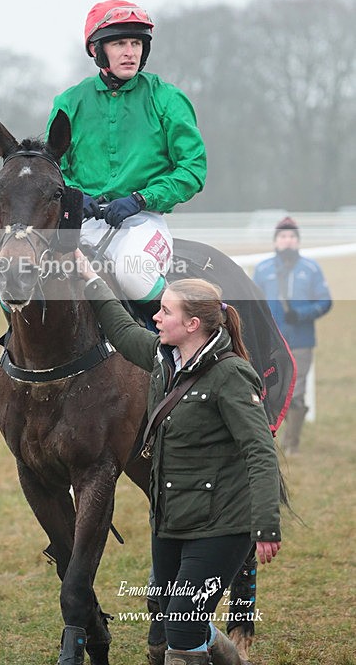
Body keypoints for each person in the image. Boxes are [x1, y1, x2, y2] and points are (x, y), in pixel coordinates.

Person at [75, 250, 282, 665]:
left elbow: (260, 451)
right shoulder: (162, 357)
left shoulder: (232, 375)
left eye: (165, 311)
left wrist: (266, 526)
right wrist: (88, 276)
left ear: (192, 325)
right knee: (174, 621)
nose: (155, 316)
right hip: (170, 519)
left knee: (184, 628)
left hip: (221, 525)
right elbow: (119, 327)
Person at [45, 0, 206, 319]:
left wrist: (141, 198)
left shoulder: (167, 98)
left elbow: (193, 167)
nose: (130, 52)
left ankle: (172, 349)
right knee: (30, 275)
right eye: (119, 43)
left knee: (134, 275)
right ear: (96, 50)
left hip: (142, 221)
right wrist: (77, 196)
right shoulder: (69, 102)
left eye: (136, 43)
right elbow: (53, 167)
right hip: (82, 221)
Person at [253, 216, 332, 455]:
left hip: (300, 342)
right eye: (283, 237)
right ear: (276, 241)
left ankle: (291, 445)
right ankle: (268, 442)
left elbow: (325, 301)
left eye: (291, 237)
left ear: (297, 241)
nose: (287, 241)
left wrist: (301, 314)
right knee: (267, 392)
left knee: (296, 394)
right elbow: (254, 304)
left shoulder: (311, 269)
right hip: (270, 344)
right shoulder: (263, 269)